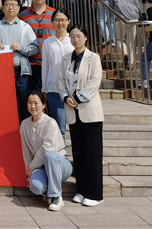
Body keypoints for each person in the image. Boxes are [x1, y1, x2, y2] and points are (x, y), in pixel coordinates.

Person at [59, 25, 104, 207]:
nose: (75, 39)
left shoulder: (94, 58)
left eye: (78, 36)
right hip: (73, 112)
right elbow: (61, 81)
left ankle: (95, 194)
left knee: (92, 155)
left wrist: (77, 98)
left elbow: (94, 82)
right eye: (72, 36)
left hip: (90, 112)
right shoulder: (66, 59)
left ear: (86, 37)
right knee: (79, 153)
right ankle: (81, 190)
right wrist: (65, 97)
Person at [0, 0, 38, 120]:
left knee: (23, 105)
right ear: (2, 7)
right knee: (3, 104)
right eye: (7, 5)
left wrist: (22, 48)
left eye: (14, 5)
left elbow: (34, 48)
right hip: (1, 73)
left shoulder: (25, 27)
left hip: (21, 73)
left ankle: (23, 130)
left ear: (19, 7)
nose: (11, 8)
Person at [20, 91, 73, 212]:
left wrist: (32, 167)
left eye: (36, 103)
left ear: (43, 105)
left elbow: (47, 149)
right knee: (35, 187)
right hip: (42, 166)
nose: (32, 106)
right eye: (30, 103)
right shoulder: (24, 124)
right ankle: (49, 193)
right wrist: (28, 170)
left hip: (60, 164)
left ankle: (56, 196)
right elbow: (25, 150)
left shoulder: (50, 123)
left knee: (49, 155)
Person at [41, 9, 74, 135]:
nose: (60, 23)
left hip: (72, 90)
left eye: (63, 20)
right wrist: (44, 88)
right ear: (52, 22)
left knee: (75, 127)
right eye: (57, 20)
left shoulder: (73, 40)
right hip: (54, 89)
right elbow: (45, 67)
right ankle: (61, 148)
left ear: (68, 21)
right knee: (59, 127)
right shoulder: (48, 42)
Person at [19, 0, 56, 92]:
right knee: (34, 96)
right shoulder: (23, 16)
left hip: (51, 63)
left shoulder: (55, 14)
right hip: (31, 63)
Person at [109, 0, 140, 68]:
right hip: (134, 18)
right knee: (131, 42)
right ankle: (131, 63)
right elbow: (137, 5)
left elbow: (111, 6)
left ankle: (125, 53)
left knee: (118, 39)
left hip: (120, 18)